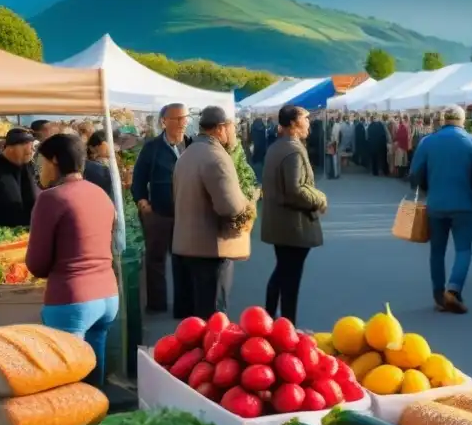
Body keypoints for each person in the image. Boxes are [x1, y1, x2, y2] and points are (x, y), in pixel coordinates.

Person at [26, 134, 117, 388]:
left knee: (68, 383)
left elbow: (37, 264)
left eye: (41, 162)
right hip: (108, 295)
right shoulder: (99, 194)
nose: (40, 169)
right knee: (93, 377)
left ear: (54, 161)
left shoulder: (51, 198)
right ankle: (98, 423)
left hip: (72, 299)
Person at [409, 105, 472, 314]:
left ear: (442, 120)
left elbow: (414, 174)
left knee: (437, 251)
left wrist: (428, 187)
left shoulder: (427, 142)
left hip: (435, 205)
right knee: (464, 249)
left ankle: (438, 295)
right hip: (464, 205)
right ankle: (453, 290)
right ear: (462, 121)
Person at [172, 105, 250, 319]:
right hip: (211, 247)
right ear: (219, 128)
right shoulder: (216, 156)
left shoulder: (187, 154)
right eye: (230, 127)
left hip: (189, 245)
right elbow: (230, 206)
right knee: (214, 317)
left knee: (199, 315)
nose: (232, 132)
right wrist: (247, 201)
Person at [261, 106, 327, 324]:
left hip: (280, 223)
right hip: (293, 225)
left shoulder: (277, 147)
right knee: (290, 280)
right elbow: (295, 189)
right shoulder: (293, 150)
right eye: (305, 119)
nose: (309, 123)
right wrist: (319, 199)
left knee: (281, 272)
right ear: (293, 123)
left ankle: (269, 318)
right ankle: (287, 326)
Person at [131, 104, 193, 316]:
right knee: (156, 260)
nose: (182, 123)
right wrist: (142, 200)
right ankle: (156, 304)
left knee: (184, 260)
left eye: (184, 118)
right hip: (159, 213)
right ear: (164, 121)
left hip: (187, 215)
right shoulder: (152, 147)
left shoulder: (193, 145)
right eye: (176, 119)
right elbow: (139, 177)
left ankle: (183, 306)